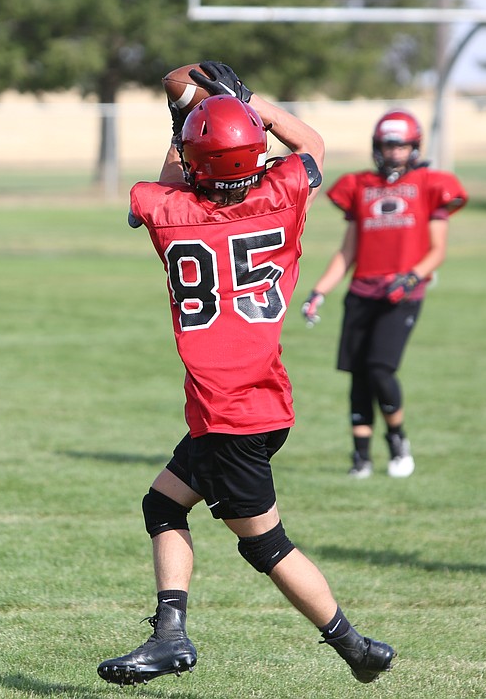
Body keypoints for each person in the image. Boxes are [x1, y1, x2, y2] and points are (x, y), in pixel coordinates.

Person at [97, 61, 394, 687]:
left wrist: (183, 121)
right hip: (259, 402)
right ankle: (169, 632)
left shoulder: (168, 211)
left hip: (227, 413)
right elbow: (310, 145)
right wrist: (248, 102)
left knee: (267, 546)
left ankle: (353, 647)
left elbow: (167, 184)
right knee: (161, 503)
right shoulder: (281, 198)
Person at [300, 110, 467, 479]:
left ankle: (397, 440)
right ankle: (360, 457)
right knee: (358, 373)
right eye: (389, 145)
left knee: (380, 368)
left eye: (402, 145)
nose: (395, 152)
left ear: (414, 147)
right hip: (362, 290)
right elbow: (348, 252)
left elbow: (437, 250)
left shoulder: (431, 183)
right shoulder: (359, 185)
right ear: (377, 146)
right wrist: (319, 291)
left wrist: (411, 277)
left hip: (402, 292)